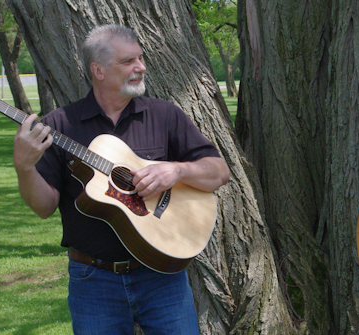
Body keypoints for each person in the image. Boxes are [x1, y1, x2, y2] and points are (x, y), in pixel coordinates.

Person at [13, 24, 229, 334]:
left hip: (162, 278)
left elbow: (219, 171)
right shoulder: (60, 125)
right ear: (98, 71)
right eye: (128, 61)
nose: (140, 67)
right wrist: (25, 168)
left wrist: (177, 171)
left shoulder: (163, 115)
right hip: (93, 280)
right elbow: (44, 207)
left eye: (140, 59)